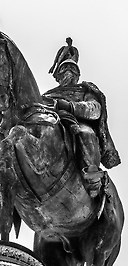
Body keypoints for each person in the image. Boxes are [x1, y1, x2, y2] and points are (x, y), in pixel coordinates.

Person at [43, 38, 120, 197]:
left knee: (85, 133)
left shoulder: (86, 90)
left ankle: (92, 177)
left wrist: (71, 107)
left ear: (78, 74)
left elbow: (95, 109)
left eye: (72, 68)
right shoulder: (48, 95)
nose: (69, 72)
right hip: (52, 125)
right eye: (65, 69)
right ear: (58, 74)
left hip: (78, 125)